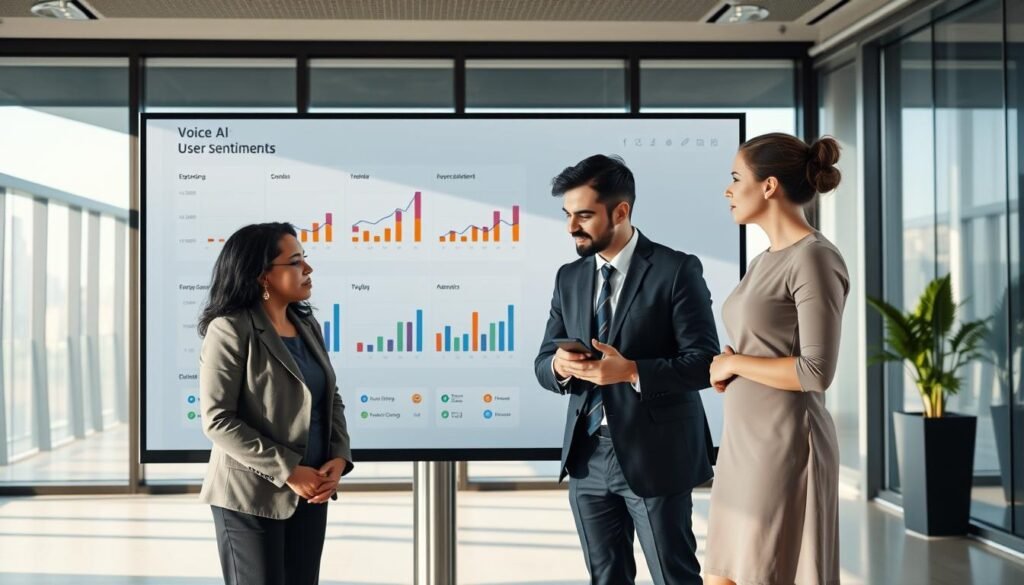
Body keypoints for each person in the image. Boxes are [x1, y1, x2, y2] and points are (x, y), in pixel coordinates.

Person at [534, 154, 719, 585]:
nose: (571, 227)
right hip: (587, 456)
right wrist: (559, 366)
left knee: (673, 576)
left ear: (621, 211)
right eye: (567, 215)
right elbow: (543, 362)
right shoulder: (569, 277)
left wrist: (632, 371)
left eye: (583, 215)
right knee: (606, 578)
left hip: (656, 455)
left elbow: (705, 364)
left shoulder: (676, 269)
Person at [704, 133, 849, 585]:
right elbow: (765, 342)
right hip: (742, 446)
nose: (727, 190)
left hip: (784, 445)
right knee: (723, 575)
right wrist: (733, 360)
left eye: (735, 178)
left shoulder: (815, 259)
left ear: (768, 186)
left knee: (763, 574)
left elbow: (816, 371)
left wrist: (734, 365)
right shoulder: (765, 260)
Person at [197, 222, 354, 585]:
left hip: (311, 490)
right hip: (250, 498)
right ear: (262, 276)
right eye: (296, 262)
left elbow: (330, 397)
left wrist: (338, 457)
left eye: (305, 259)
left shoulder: (306, 323)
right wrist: (289, 471)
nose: (308, 269)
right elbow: (218, 420)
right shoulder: (231, 328)